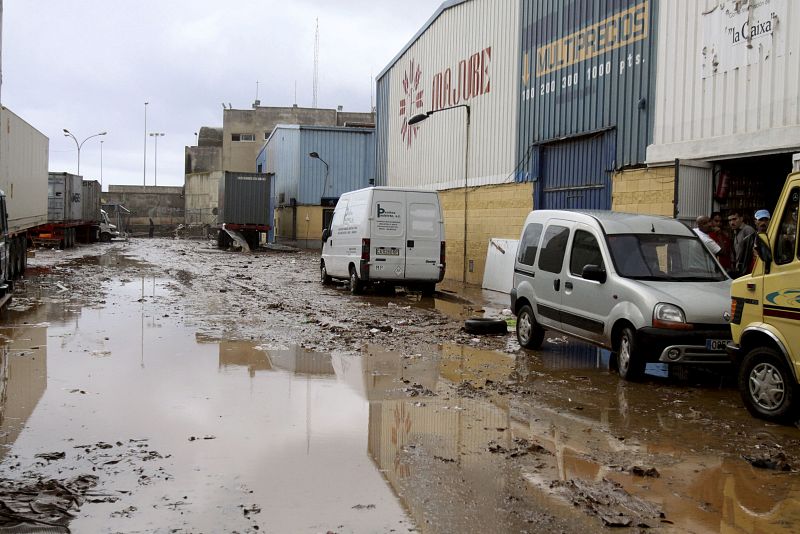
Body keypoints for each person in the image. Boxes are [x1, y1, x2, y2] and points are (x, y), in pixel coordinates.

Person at [728, 209, 755, 277]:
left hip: (747, 269)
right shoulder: (735, 231)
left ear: (741, 219)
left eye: (734, 219)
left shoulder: (747, 230)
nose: (732, 222)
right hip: (740, 269)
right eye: (730, 220)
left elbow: (751, 251)